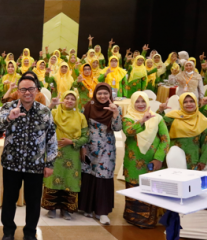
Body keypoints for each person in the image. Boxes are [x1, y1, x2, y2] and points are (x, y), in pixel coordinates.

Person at [0, 73, 57, 240]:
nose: (27, 92)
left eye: (31, 89)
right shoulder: (8, 107)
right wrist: (8, 118)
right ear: (18, 91)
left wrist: (50, 163)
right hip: (12, 164)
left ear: (36, 90)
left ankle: (30, 233)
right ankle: (8, 232)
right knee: (9, 199)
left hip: (35, 165)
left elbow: (51, 138)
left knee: (33, 201)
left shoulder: (44, 111)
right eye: (23, 89)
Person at [122, 92, 169, 228]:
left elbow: (165, 139)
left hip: (152, 162)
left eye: (143, 101)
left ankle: (148, 220)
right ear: (132, 103)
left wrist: (158, 158)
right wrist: (142, 121)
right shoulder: (127, 118)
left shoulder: (158, 118)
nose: (141, 104)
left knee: (150, 190)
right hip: (133, 162)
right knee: (133, 189)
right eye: (137, 101)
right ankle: (132, 217)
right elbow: (129, 131)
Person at [78, 82, 122, 225]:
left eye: (105, 93)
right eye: (100, 93)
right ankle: (87, 208)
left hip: (106, 148)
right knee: (88, 175)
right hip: (90, 147)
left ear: (110, 94)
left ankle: (102, 212)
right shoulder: (88, 107)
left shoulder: (116, 108)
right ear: (95, 94)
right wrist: (83, 147)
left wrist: (115, 113)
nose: (102, 96)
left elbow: (117, 128)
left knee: (103, 176)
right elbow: (83, 128)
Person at [42, 90, 88, 220]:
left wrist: (71, 141)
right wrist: (51, 105)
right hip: (54, 151)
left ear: (76, 102)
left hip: (72, 154)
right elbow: (41, 118)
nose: (69, 101)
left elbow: (85, 137)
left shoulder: (81, 117)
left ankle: (66, 209)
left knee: (69, 180)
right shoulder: (54, 113)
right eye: (67, 98)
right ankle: (51, 208)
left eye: (72, 99)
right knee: (52, 178)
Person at [162, 93, 207, 171]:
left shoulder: (202, 120)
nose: (189, 104)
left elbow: (206, 143)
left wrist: (203, 160)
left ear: (196, 103)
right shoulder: (172, 117)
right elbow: (157, 125)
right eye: (185, 102)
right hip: (174, 159)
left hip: (194, 160)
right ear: (181, 103)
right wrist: (160, 110)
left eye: (191, 101)